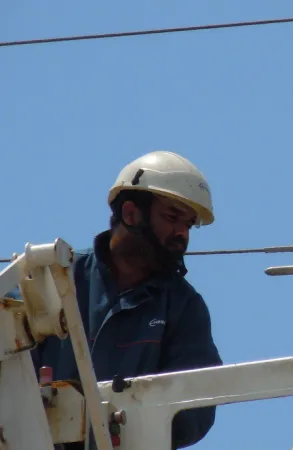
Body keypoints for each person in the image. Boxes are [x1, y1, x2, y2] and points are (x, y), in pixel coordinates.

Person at [6, 151, 223, 449]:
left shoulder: (183, 308)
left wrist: (129, 427)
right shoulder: (59, 281)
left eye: (189, 224)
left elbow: (197, 407)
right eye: (172, 217)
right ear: (131, 214)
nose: (181, 234)